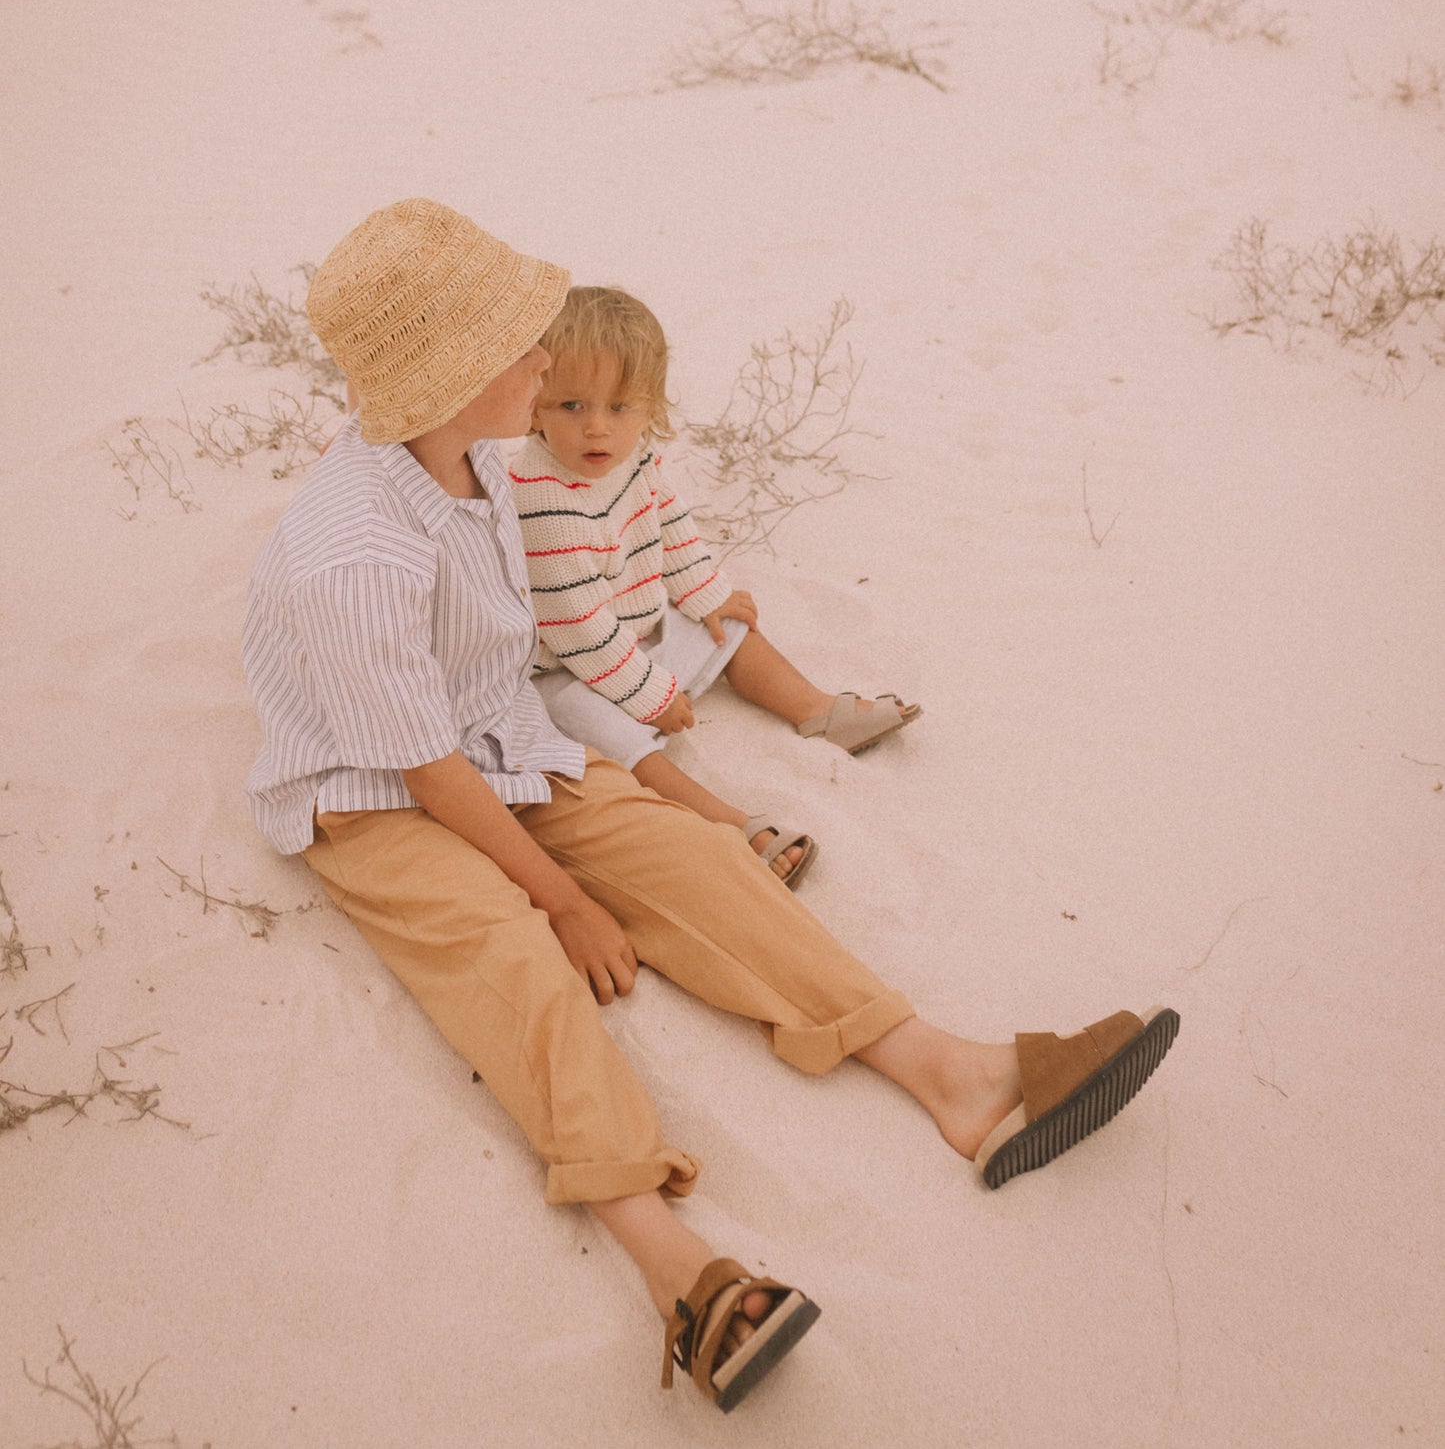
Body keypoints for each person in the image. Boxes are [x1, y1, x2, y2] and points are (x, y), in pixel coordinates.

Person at [241, 197, 1180, 1415]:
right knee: (514, 960)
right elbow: (422, 770)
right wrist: (567, 899)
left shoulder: (482, 454)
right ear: (456, 372)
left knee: (694, 857)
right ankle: (676, 1269)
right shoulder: (352, 554)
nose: (545, 359)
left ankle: (952, 1073)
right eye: (523, 346)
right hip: (374, 789)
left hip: (497, 736)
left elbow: (594, 569)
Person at [510, 285, 919, 889]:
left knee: (729, 630)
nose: (597, 429)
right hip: (568, 668)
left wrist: (706, 593)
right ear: (535, 402)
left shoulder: (629, 460)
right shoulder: (540, 497)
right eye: (572, 405)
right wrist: (652, 697)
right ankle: (730, 824)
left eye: (619, 408)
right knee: (622, 747)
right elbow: (577, 629)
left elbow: (669, 524)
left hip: (636, 629)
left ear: (650, 409)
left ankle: (816, 710)